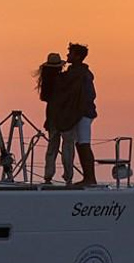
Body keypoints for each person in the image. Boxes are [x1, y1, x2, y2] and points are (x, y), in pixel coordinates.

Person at [54, 42, 98, 185]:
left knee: (84, 144)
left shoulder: (81, 74)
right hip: (81, 113)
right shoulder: (77, 73)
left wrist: (78, 109)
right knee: (80, 144)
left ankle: (90, 178)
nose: (67, 55)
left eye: (70, 53)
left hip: (83, 114)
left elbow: (88, 95)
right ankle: (88, 177)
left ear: (78, 56)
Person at [34, 52, 75, 184]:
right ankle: (68, 176)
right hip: (66, 117)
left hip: (52, 117)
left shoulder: (46, 82)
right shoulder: (64, 80)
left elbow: (46, 99)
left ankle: (48, 175)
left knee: (52, 148)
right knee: (67, 147)